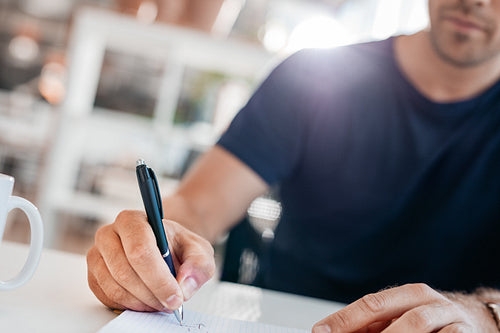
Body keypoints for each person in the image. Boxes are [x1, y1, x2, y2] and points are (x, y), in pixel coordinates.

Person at [86, 0, 500, 331]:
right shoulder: (314, 77)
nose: (476, 2)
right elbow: (199, 205)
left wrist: (488, 315)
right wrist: (152, 247)